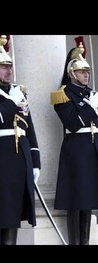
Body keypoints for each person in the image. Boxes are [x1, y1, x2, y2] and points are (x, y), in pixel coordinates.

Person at [50, 36, 98, 245]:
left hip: (93, 148)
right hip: (76, 150)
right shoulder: (64, 95)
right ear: (71, 74)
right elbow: (73, 124)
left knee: (88, 201)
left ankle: (85, 242)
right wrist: (91, 107)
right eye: (82, 72)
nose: (86, 75)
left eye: (87, 72)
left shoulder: (92, 94)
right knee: (76, 201)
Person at [0, 35, 41, 245]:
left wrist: (36, 161)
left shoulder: (18, 92)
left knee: (13, 217)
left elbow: (29, 129)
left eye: (10, 67)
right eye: (3, 67)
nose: (8, 71)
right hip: (2, 160)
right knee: (3, 214)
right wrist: (11, 103)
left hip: (19, 161)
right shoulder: (12, 97)